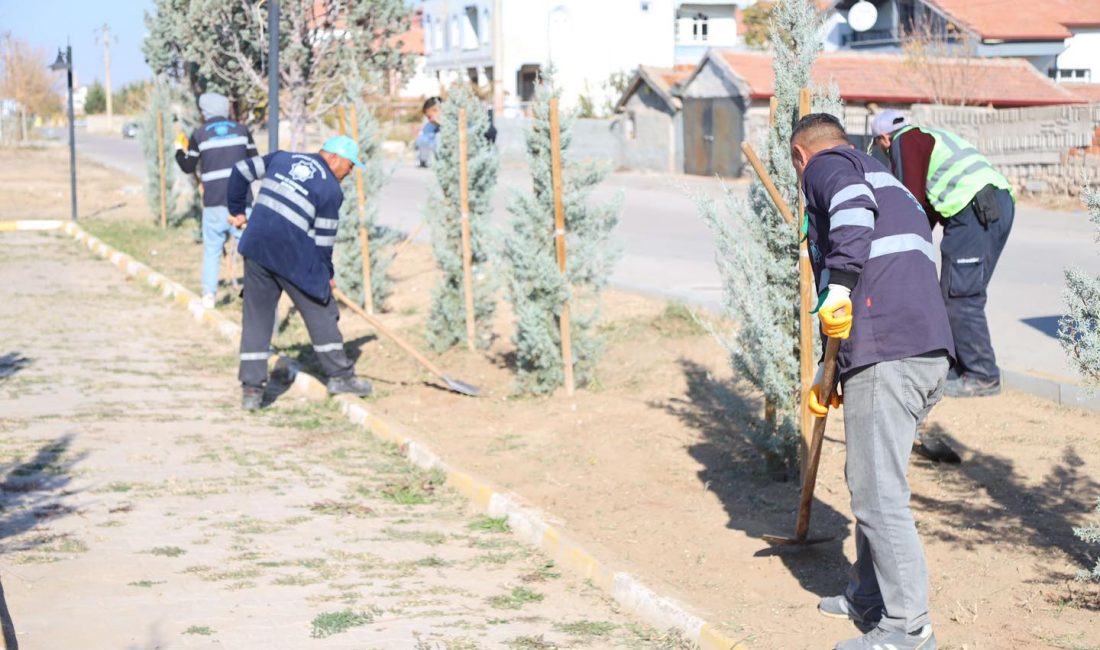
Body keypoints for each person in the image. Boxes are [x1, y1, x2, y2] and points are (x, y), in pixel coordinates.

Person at [793, 113, 954, 650]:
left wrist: (835, 288)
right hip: (920, 349)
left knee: (878, 493)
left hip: (890, 352)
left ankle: (908, 628)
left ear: (800, 157)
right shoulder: (884, 175)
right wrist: (831, 367)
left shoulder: (827, 166)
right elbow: (882, 270)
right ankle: (867, 595)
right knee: (871, 477)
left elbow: (851, 219)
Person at [871, 110, 1015, 398]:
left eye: (881, 146)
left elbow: (909, 199)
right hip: (993, 205)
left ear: (884, 138)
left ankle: (982, 375)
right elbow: (927, 206)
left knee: (960, 295)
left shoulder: (905, 141)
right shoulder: (928, 137)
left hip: (973, 210)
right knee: (960, 292)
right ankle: (962, 368)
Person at [226, 136, 374, 411]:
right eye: (350, 166)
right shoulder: (331, 189)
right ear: (333, 158)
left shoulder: (282, 158)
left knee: (257, 317)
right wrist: (326, 275)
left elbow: (240, 171)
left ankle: (251, 390)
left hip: (256, 245)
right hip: (290, 254)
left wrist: (236, 210)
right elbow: (323, 241)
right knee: (321, 308)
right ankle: (341, 376)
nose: (349, 173)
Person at [174, 92, 257, 310]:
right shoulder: (241, 131)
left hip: (214, 203)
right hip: (241, 204)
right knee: (249, 249)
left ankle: (209, 296)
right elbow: (256, 163)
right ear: (225, 109)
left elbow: (188, 167)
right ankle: (251, 293)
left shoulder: (200, 135)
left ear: (204, 112)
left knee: (211, 249)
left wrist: (178, 150)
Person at [414, 96, 442, 168]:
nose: (429, 120)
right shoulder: (433, 125)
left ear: (437, 110)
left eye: (430, 116)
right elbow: (422, 138)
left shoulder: (456, 121)